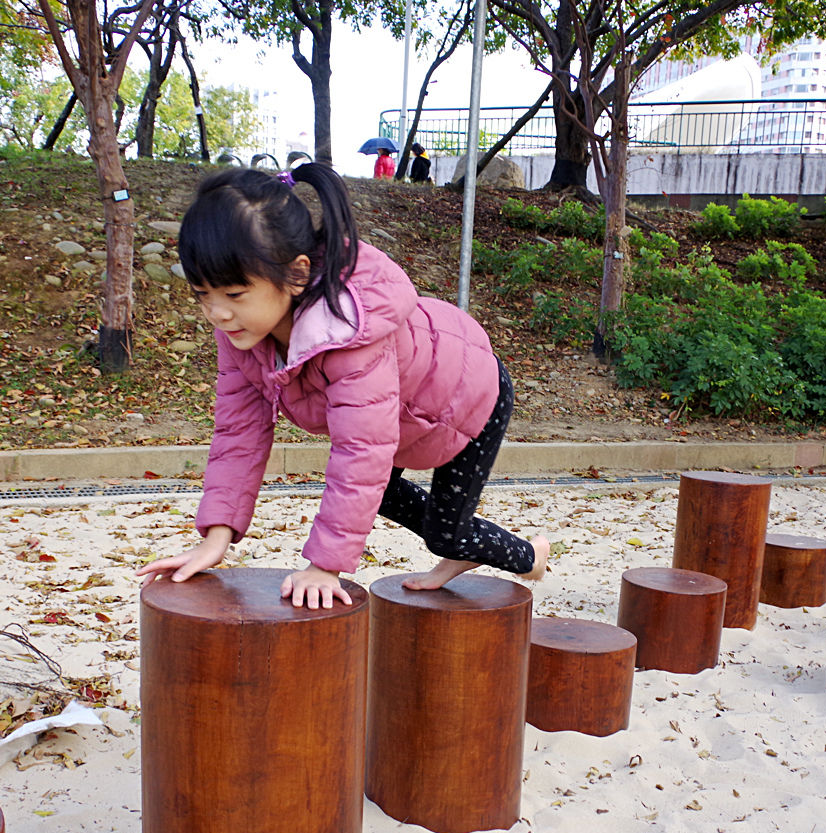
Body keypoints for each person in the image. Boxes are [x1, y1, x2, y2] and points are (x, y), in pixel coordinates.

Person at [136, 164, 550, 609]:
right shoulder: (243, 334)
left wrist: (324, 565)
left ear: (296, 274)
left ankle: (530, 557)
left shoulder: (349, 334)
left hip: (470, 393)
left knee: (446, 531)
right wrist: (215, 539)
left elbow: (361, 452)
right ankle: (456, 547)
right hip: (408, 417)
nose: (216, 313)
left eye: (234, 295)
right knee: (389, 499)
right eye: (203, 294)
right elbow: (238, 434)